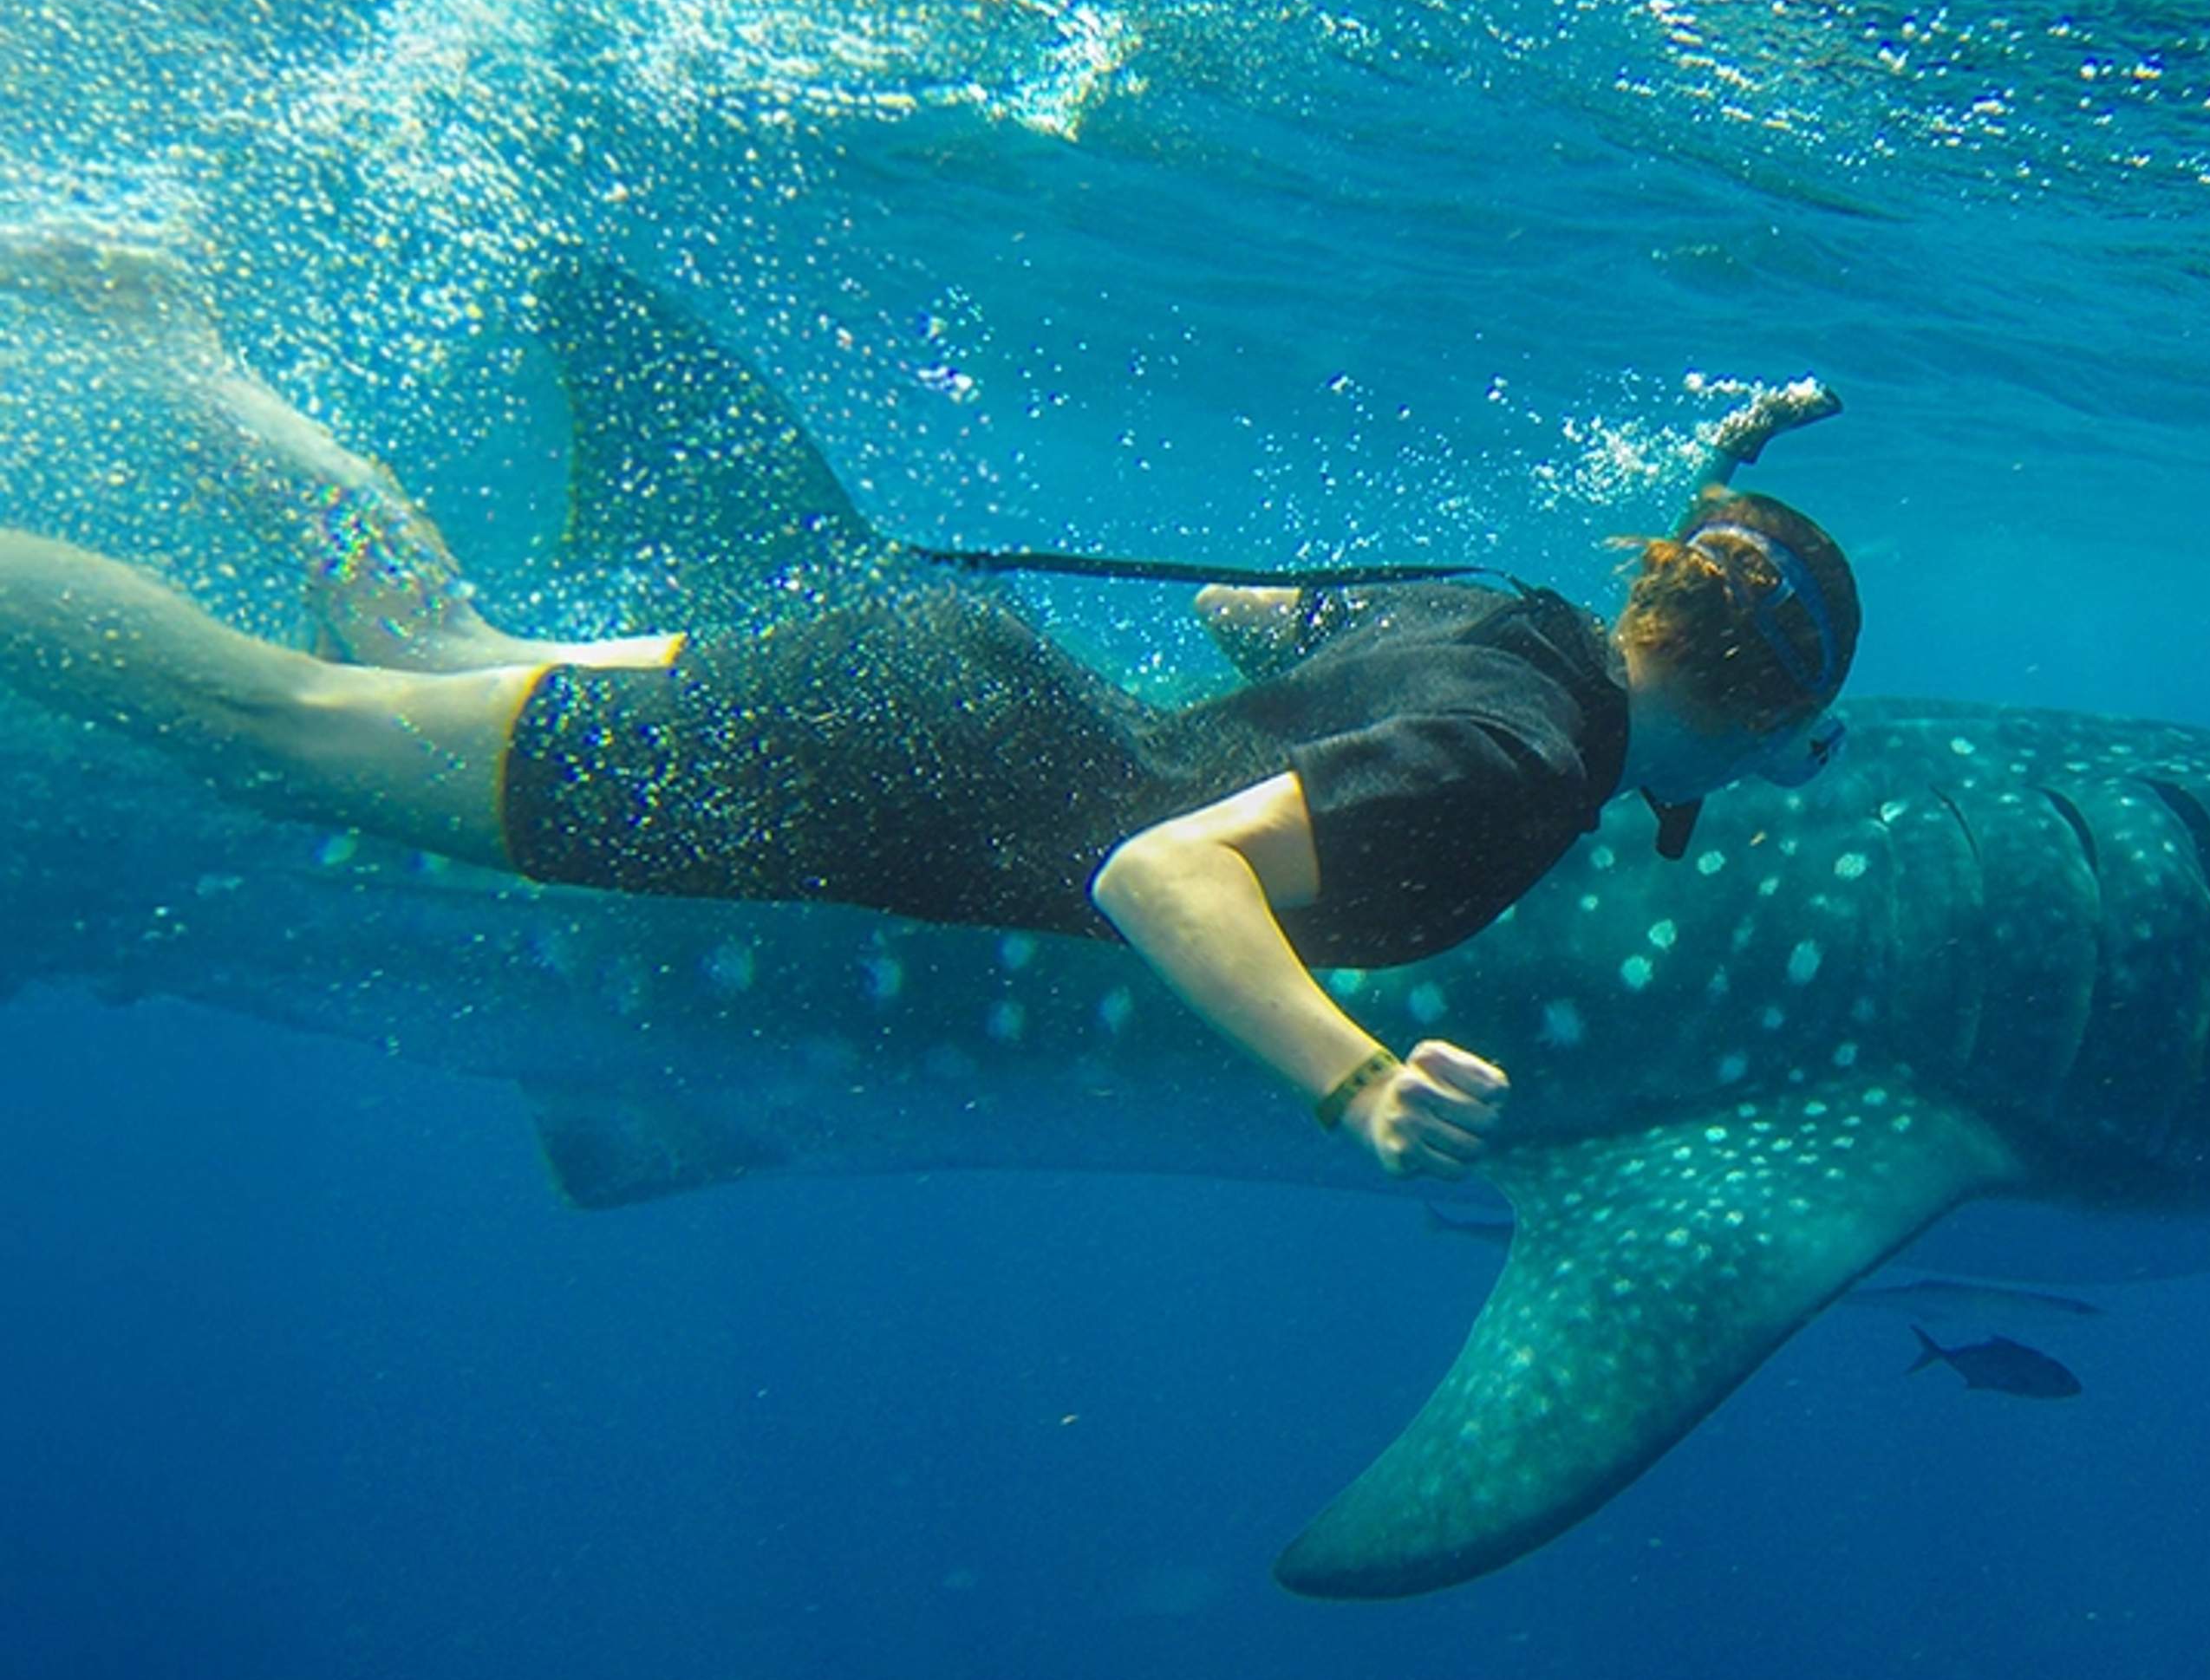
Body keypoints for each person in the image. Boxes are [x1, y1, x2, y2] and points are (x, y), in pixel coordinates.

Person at [0, 237, 1858, 1180]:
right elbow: (1158, 878)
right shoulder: (1524, 765)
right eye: (1806, 729)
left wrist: (1727, 472)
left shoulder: (1521, 624)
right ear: (1768, 724)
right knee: (258, 720)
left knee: (422, 648)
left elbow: (1256, 621)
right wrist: (1357, 1080)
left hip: (919, 671)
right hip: (865, 771)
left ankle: (171, 341)